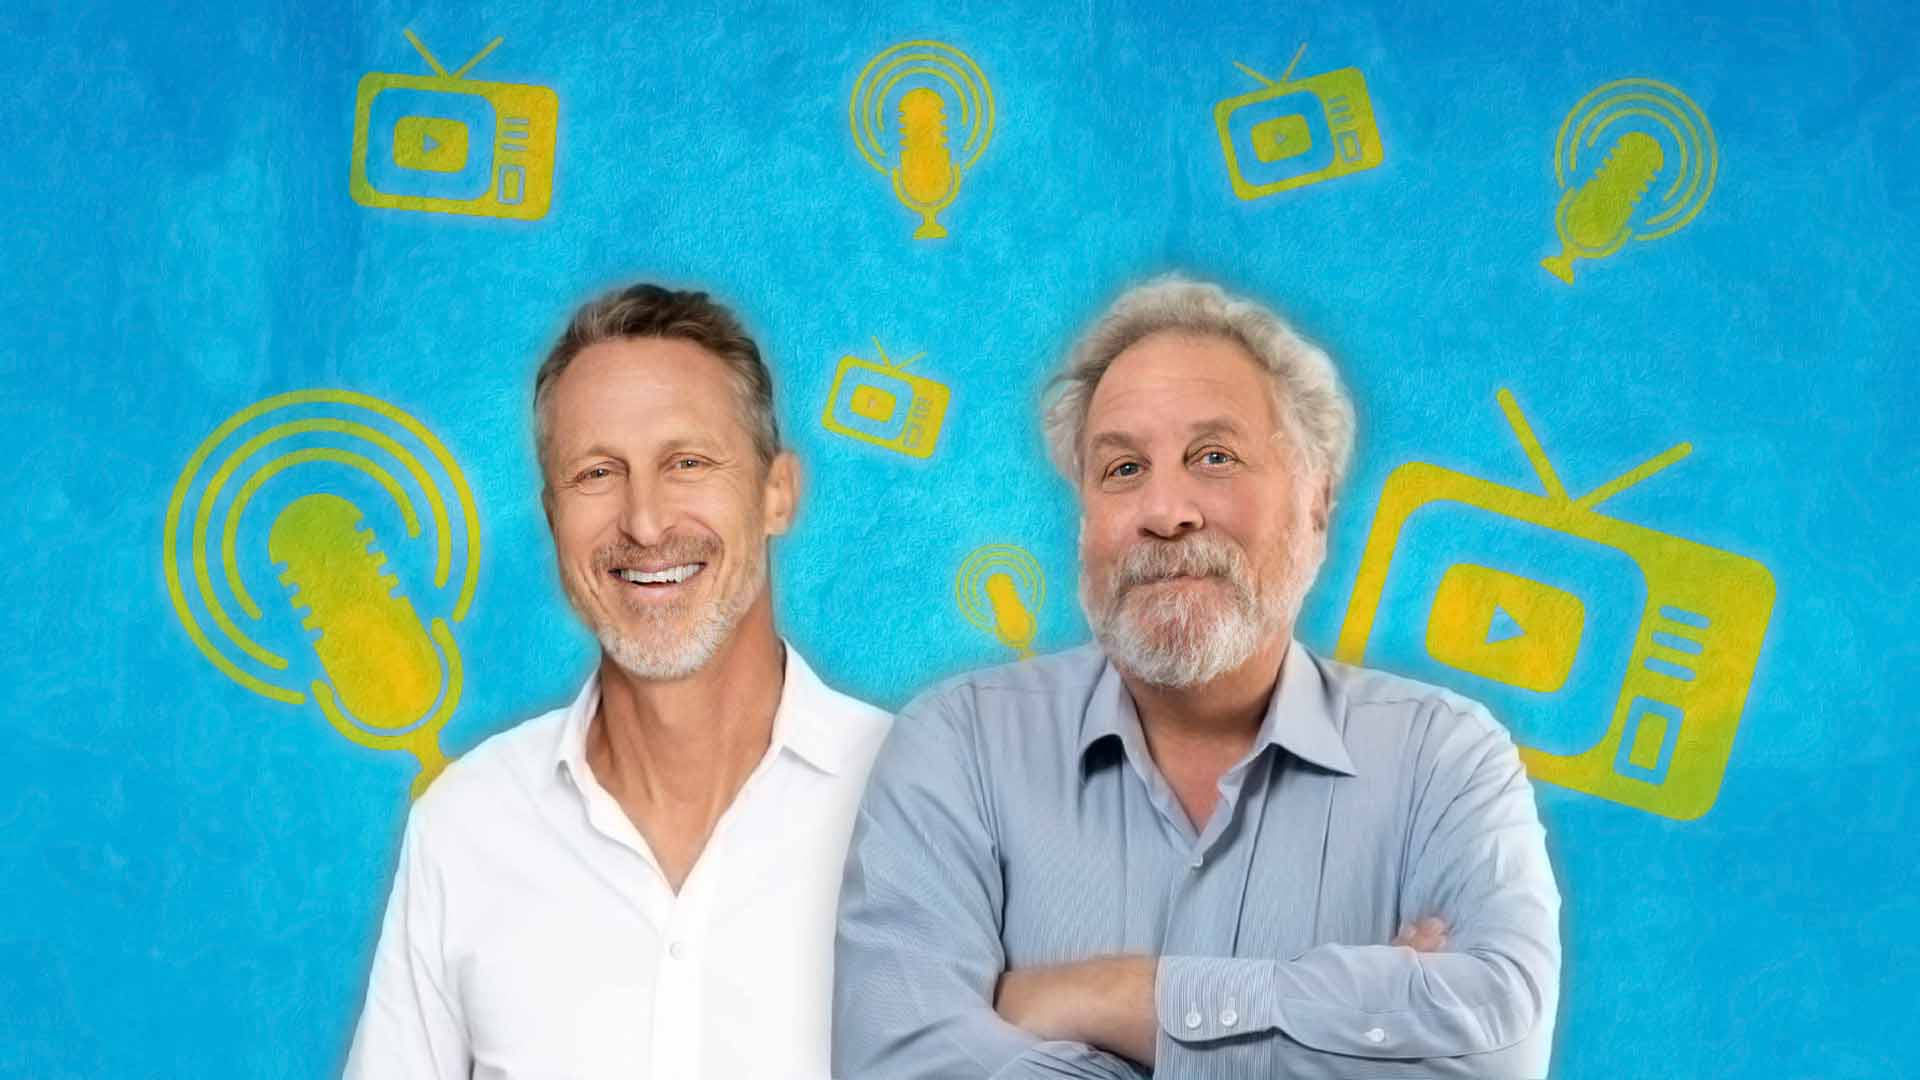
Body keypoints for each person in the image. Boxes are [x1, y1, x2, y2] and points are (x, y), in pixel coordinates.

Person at [834, 275, 1561, 1078]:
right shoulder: (957, 746)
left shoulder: (1445, 760)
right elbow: (899, 1064)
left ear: (1316, 506)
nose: (1165, 510)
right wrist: (1351, 1029)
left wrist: (1113, 996)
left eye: (1214, 457)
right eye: (1122, 469)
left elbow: (1498, 1053)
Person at [344, 284, 890, 1079]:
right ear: (551, 515)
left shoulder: (921, 799)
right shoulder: (465, 825)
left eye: (687, 463)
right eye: (597, 473)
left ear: (777, 493)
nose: (644, 522)